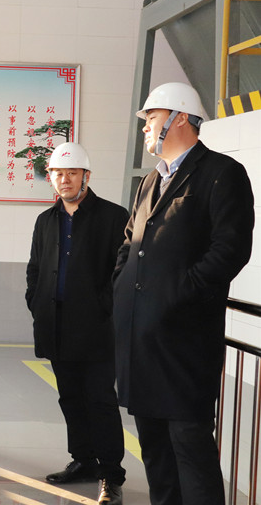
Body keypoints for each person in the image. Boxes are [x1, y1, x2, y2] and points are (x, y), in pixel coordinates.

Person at [113, 82, 254, 505]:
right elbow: (130, 242)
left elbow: (230, 249)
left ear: (179, 118)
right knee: (155, 450)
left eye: (152, 118)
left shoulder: (221, 173)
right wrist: (122, 286)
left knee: (190, 448)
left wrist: (177, 294)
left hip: (184, 341)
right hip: (142, 340)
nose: (145, 128)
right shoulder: (150, 181)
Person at [25, 142, 128, 505]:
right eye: (58, 173)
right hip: (55, 324)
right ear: (50, 176)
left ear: (86, 176)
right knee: (69, 397)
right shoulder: (46, 220)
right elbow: (35, 268)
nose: (64, 179)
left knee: (100, 400)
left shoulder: (113, 217)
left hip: (96, 327)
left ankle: (111, 475)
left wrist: (103, 307)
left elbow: (122, 270)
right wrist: (35, 301)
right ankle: (83, 460)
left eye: (72, 173)